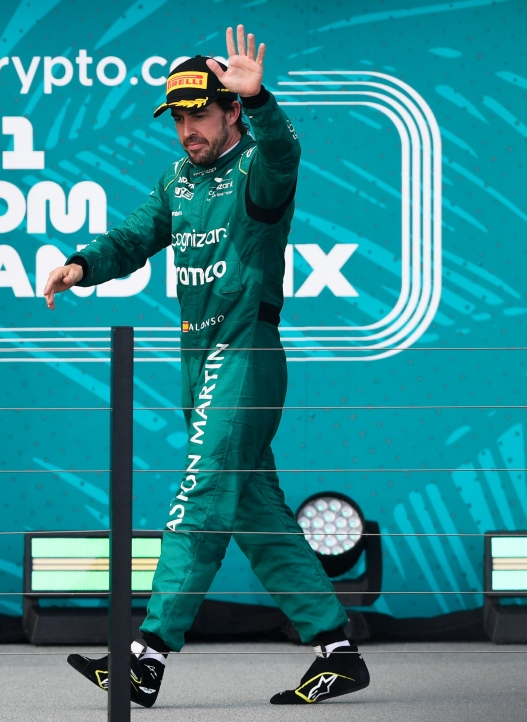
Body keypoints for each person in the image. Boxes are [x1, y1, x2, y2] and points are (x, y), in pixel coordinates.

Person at [44, 26, 370, 706]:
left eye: (202, 113)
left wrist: (264, 103)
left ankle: (146, 656)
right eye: (180, 117)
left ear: (230, 113)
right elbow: (134, 238)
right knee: (253, 512)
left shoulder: (258, 170)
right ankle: (336, 649)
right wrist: (82, 266)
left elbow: (284, 153)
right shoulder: (177, 181)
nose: (189, 128)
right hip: (200, 363)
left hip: (246, 352)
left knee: (198, 499)